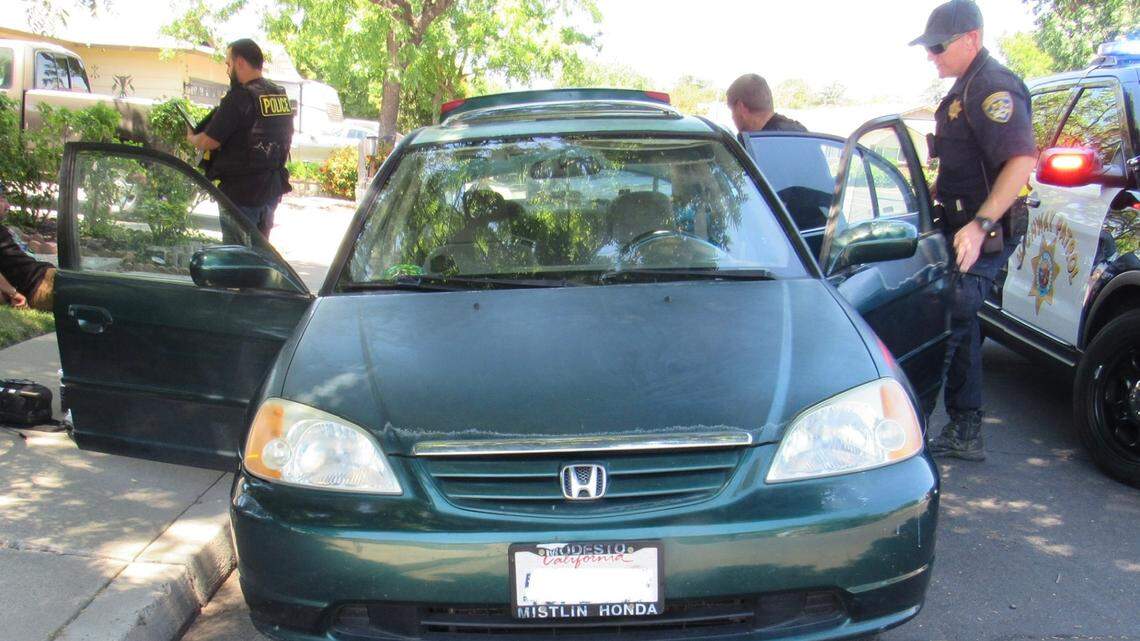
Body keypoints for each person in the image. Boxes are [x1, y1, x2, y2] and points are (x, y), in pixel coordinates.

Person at [911, 0, 1036, 461]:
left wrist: (981, 226)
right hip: (963, 225)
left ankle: (910, 433)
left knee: (948, 320)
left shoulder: (992, 87)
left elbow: (1021, 161)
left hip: (986, 231)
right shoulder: (968, 86)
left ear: (971, 40)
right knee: (961, 323)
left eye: (939, 46)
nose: (932, 55)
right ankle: (965, 430)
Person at [187, 39, 293, 238]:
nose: (227, 70)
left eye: (229, 64)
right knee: (260, 255)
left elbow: (210, 141)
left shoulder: (239, 98)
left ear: (240, 63)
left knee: (235, 257)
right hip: (270, 190)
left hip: (241, 194)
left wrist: (192, 138)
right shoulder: (278, 94)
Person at [0, 188, 55, 312]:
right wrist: (13, 294)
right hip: (38, 286)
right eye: (2, 199)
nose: (8, 206)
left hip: (45, 275)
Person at [726, 74, 807, 136]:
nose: (732, 117)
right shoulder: (802, 133)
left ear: (740, 108)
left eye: (732, 110)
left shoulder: (757, 145)